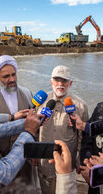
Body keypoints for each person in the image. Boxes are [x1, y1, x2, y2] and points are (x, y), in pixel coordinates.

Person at [37, 65, 89, 194]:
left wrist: (79, 160)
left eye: (64, 80)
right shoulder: (41, 103)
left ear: (70, 83)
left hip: (67, 162)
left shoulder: (80, 105)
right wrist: (34, 154)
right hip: (44, 162)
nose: (60, 84)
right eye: (57, 80)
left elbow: (83, 136)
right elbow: (34, 130)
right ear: (51, 82)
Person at [0, 55, 35, 184]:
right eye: (6, 76)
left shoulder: (26, 93)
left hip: (25, 156)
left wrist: (34, 149)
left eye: (13, 74)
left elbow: (34, 123)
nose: (12, 79)